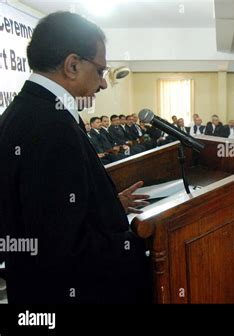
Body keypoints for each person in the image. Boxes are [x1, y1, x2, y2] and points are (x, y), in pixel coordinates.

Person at [0, 12, 151, 303]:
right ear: (72, 65)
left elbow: (45, 214)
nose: (104, 84)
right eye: (100, 71)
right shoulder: (52, 127)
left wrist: (105, 207)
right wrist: (145, 237)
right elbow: (63, 249)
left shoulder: (22, 113)